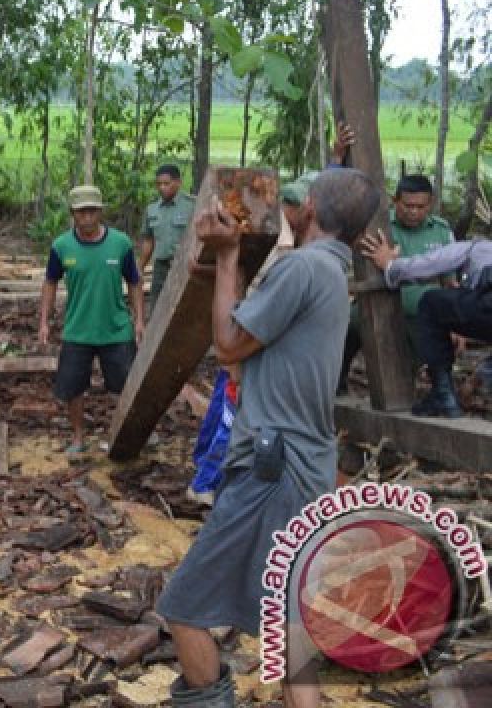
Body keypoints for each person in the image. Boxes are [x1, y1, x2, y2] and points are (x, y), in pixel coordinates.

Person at [156, 168, 381, 708]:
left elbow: (230, 346)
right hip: (304, 463)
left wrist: (230, 257)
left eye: (302, 197)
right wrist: (218, 267)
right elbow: (247, 341)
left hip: (269, 467)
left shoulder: (301, 268)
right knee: (288, 612)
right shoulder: (331, 272)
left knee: (183, 605)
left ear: (313, 213)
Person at [38, 185, 144, 453]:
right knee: (73, 388)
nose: (87, 218)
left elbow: (134, 282)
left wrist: (139, 320)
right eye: (81, 212)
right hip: (78, 329)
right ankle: (77, 437)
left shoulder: (120, 244)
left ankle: (125, 432)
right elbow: (50, 282)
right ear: (72, 214)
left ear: (100, 212)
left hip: (116, 328)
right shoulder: (62, 246)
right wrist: (44, 321)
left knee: (126, 385)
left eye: (92, 212)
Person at [338, 175, 455, 393]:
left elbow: (450, 281)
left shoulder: (440, 231)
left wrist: (456, 324)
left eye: (420, 206)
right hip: (378, 302)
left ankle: (415, 392)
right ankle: (338, 380)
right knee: (347, 326)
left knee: (406, 370)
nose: (414, 212)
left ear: (429, 204)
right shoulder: (378, 226)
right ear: (395, 201)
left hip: (421, 315)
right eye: (408, 205)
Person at [359, 234, 492, 418]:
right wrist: (478, 380)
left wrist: (390, 265)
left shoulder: (473, 248)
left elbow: (427, 264)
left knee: (432, 303)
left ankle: (443, 395)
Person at [138, 164, 197, 315]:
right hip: (161, 267)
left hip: (186, 265)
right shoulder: (152, 210)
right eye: (159, 184)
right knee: (157, 309)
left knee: (186, 308)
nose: (162, 188)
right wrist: (140, 267)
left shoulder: (192, 205)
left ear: (178, 182)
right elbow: (148, 240)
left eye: (166, 183)